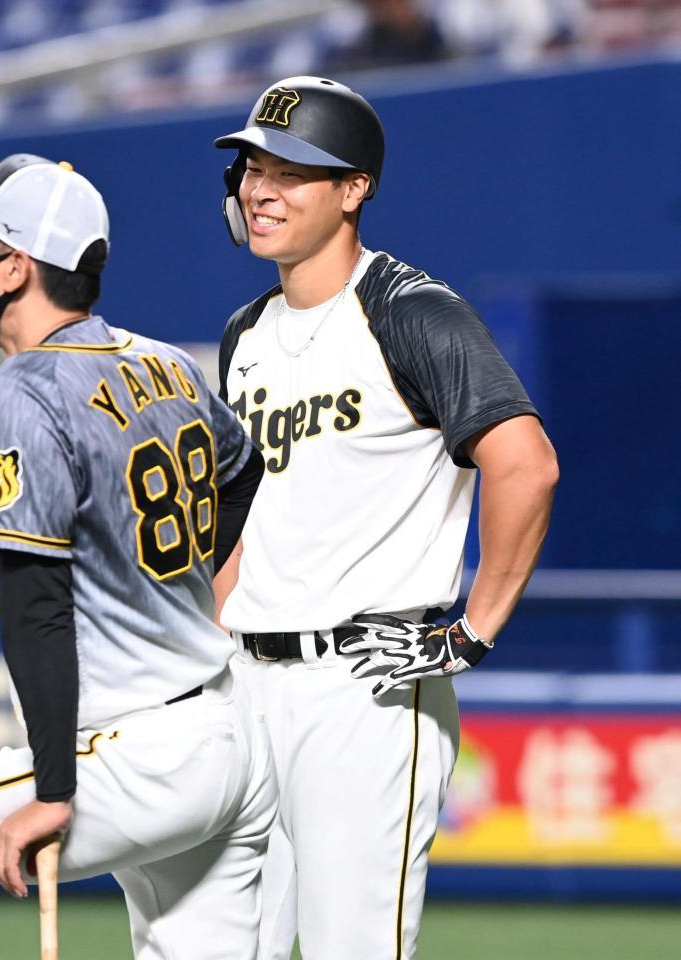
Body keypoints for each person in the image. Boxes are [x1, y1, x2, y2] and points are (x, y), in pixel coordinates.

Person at [0, 154, 276, 960]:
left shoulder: (23, 388)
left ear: (14, 268)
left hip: (131, 757)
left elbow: (34, 600)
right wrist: (178, 587)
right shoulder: (164, 362)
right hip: (229, 738)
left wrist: (52, 788)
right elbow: (244, 471)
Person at [212, 77, 559, 960]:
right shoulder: (245, 333)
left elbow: (526, 465)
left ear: (353, 188)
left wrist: (473, 629)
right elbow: (247, 524)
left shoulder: (410, 311)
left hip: (362, 686)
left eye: (291, 171)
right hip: (245, 683)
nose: (261, 190)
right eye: (252, 168)